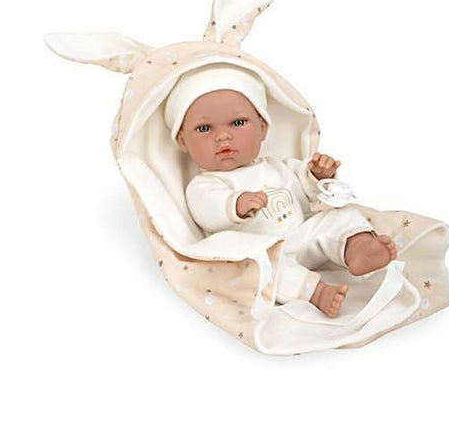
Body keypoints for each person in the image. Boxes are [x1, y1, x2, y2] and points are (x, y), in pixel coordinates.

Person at [164, 63, 397, 317]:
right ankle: (315, 292)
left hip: (301, 236)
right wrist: (237, 204)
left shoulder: (277, 166)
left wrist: (318, 176)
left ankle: (358, 247)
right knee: (254, 268)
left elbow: (306, 195)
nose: (223, 136)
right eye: (204, 129)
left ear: (262, 128)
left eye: (238, 123)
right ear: (183, 140)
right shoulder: (204, 184)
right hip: (266, 254)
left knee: (343, 215)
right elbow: (207, 210)